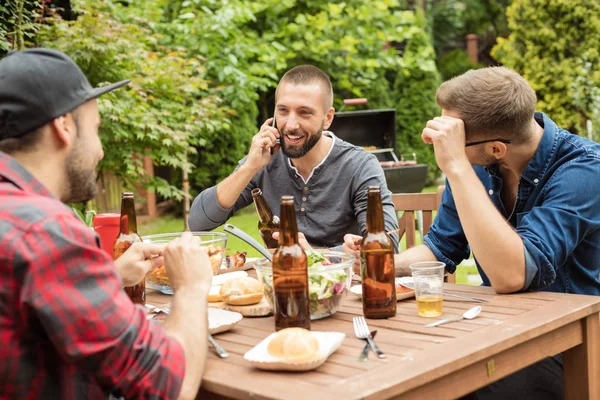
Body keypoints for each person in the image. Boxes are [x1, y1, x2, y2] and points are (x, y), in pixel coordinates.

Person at [344, 66, 600, 399]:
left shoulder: (585, 170)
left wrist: (457, 166)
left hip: (574, 341)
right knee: (401, 372)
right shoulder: (477, 166)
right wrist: (378, 262)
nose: (443, 146)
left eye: (453, 137)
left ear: (496, 148)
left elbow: (514, 274)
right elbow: (440, 248)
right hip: (497, 326)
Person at [0, 49, 212, 399]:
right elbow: (167, 388)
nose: (99, 152)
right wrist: (191, 287)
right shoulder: (45, 230)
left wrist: (110, 274)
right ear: (64, 127)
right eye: (96, 130)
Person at [188, 64, 399, 251]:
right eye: (283, 110)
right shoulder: (263, 160)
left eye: (304, 112)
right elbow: (198, 223)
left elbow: (387, 247)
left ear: (327, 118)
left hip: (344, 289)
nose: (290, 125)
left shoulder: (360, 166)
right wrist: (249, 168)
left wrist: (318, 256)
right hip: (279, 286)